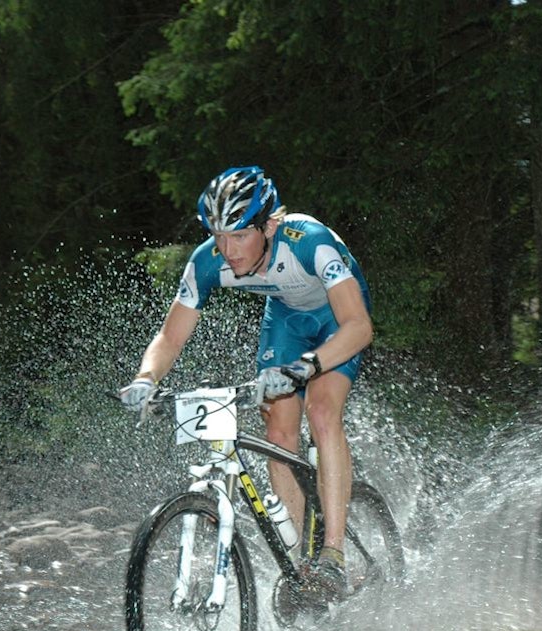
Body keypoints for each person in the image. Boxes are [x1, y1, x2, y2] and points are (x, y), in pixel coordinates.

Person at [119, 165, 373, 600]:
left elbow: (359, 327)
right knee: (277, 431)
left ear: (268, 225)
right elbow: (171, 335)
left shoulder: (310, 242)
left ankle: (333, 554)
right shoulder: (208, 260)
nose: (228, 249)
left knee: (322, 411)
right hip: (286, 322)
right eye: (219, 235)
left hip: (338, 319)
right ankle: (302, 571)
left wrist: (308, 367)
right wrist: (146, 378)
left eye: (239, 235)